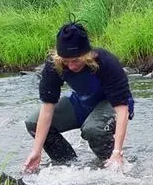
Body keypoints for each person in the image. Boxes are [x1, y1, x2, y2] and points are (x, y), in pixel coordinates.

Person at [23, 21, 134, 173]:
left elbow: (122, 110)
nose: (71, 66)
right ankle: (69, 165)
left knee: (93, 129)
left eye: (76, 60)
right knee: (33, 123)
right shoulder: (54, 64)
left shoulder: (106, 61)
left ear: (87, 54)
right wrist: (36, 152)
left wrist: (117, 152)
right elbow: (47, 108)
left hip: (112, 104)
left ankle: (115, 167)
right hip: (82, 102)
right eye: (66, 61)